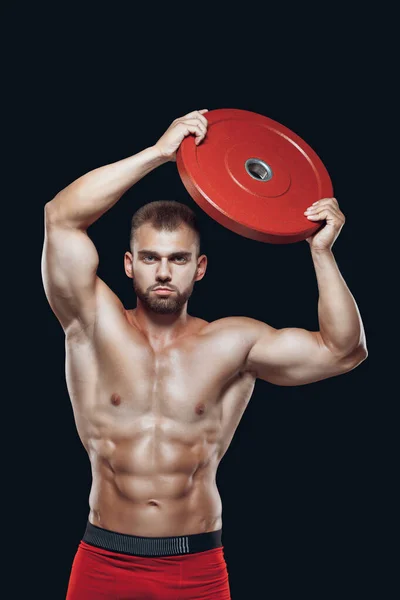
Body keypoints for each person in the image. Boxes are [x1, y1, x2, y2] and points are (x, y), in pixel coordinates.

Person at [41, 109, 368, 599]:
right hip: (103, 562)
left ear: (200, 268)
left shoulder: (232, 343)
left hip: (192, 568)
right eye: (150, 258)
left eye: (179, 259)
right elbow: (60, 218)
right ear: (129, 265)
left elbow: (343, 351)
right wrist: (158, 154)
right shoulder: (92, 323)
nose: (164, 272)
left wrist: (321, 252)